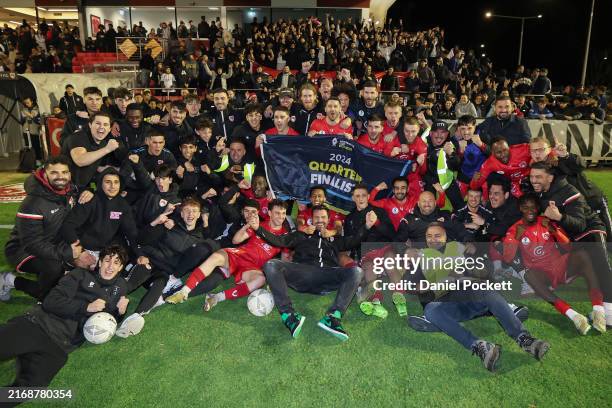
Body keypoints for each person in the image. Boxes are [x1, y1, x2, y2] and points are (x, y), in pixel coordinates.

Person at [410, 223, 549, 372]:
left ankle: (524, 339)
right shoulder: (421, 256)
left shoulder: (459, 248)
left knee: (485, 288)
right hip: (449, 303)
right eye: (429, 236)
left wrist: (466, 270)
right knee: (431, 310)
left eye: (437, 235)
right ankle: (481, 346)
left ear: (445, 237)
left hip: (473, 294)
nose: (433, 239)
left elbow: (485, 270)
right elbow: (412, 284)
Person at [0, 245, 129, 395]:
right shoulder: (79, 275)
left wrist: (120, 313)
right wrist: (85, 307)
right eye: (107, 260)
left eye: (116, 263)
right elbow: (50, 301)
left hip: (59, 347)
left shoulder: (120, 288)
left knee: (27, 391)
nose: (110, 266)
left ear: (120, 268)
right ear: (99, 262)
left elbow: (108, 320)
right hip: (37, 325)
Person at [258, 205, 377, 340]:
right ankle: (289, 315)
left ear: (328, 219)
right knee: (271, 265)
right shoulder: (301, 235)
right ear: (312, 219)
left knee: (357, 271)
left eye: (323, 217)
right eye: (317, 217)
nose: (320, 220)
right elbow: (279, 240)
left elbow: (354, 240)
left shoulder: (334, 239)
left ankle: (333, 317)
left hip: (328, 277)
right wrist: (258, 228)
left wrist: (367, 225)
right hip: (303, 274)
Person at [503, 194, 606, 334]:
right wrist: (516, 237)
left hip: (559, 265)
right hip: (542, 273)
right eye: (526, 207)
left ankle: (598, 311)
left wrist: (555, 231)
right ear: (520, 209)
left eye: (533, 207)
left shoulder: (545, 221)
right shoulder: (515, 229)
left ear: (537, 208)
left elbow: (567, 247)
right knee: (529, 275)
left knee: (582, 255)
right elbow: (508, 257)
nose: (530, 210)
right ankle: (574, 316)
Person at [530, 162, 612, 326]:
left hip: (590, 232)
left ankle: (608, 312)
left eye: (538, 177)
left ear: (550, 177)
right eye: (531, 176)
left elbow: (580, 224)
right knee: (587, 268)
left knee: (602, 267)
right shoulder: (541, 192)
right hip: (570, 239)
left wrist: (559, 217)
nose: (533, 180)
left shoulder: (569, 191)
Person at [165, 199, 288, 309]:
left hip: (252, 267)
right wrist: (249, 226)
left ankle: (216, 297)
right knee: (216, 257)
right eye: (277, 213)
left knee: (260, 280)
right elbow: (236, 240)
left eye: (283, 213)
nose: (281, 217)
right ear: (270, 213)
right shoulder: (260, 224)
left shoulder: (286, 236)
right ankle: (184, 291)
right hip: (239, 254)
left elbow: (285, 261)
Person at [1, 156, 88, 301]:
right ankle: (10, 281)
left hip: (53, 243)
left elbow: (79, 190)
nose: (60, 177)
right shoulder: (33, 203)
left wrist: (88, 192)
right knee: (53, 271)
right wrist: (67, 253)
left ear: (70, 174)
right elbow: (32, 244)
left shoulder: (69, 190)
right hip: (23, 250)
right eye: (54, 173)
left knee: (83, 268)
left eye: (64, 172)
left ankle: (52, 287)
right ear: (44, 174)